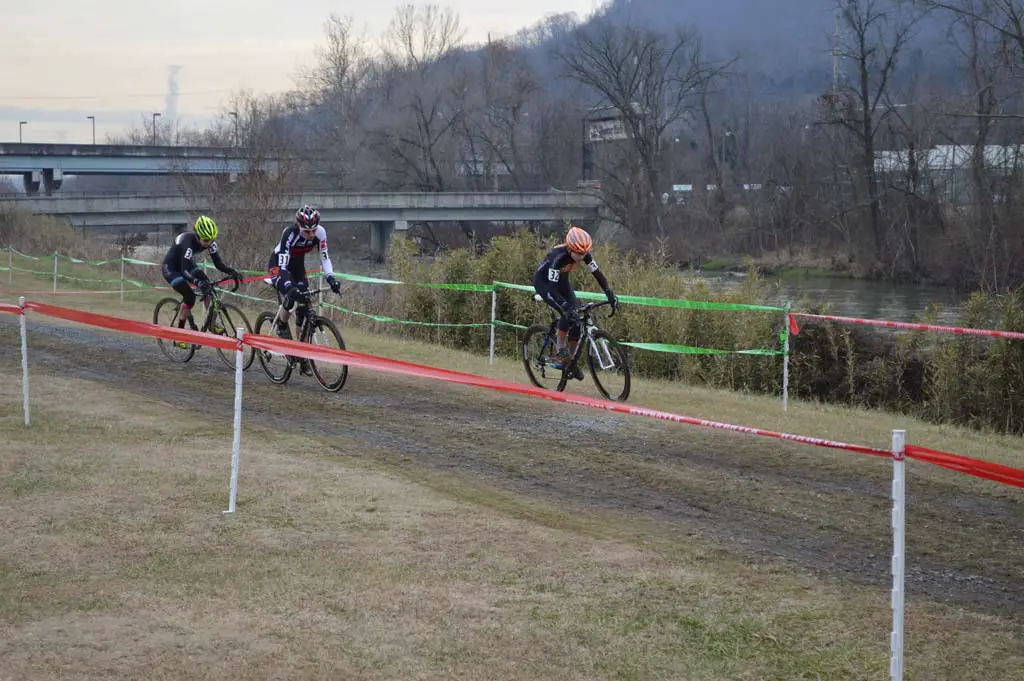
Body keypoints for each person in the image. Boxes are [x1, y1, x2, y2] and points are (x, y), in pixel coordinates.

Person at [532, 225, 618, 380]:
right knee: (566, 311)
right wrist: (563, 306)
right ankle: (559, 349)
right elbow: (552, 288)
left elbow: (597, 274)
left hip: (562, 282)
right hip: (544, 284)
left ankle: (569, 362)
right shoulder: (557, 257)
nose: (582, 256)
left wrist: (609, 292)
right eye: (578, 253)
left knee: (576, 322)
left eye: (584, 253)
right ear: (570, 249)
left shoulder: (584, 254)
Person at [266, 204, 341, 341]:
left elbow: (325, 258)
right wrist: (289, 286)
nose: (311, 234)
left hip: (297, 265)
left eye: (314, 230)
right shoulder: (289, 233)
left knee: (304, 304)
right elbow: (283, 266)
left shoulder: (321, 233)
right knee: (292, 294)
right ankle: (281, 325)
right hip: (278, 265)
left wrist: (331, 278)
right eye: (307, 231)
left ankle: (301, 350)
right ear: (299, 227)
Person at [161, 215, 242, 333]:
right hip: (171, 269)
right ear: (197, 236)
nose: (209, 243)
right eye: (205, 240)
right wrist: (197, 282)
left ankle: (212, 323)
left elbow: (218, 264)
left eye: (211, 240)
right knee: (190, 297)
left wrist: (231, 271)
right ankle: (179, 333)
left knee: (208, 285)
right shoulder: (187, 243)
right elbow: (184, 271)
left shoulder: (209, 241)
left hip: (187, 264)